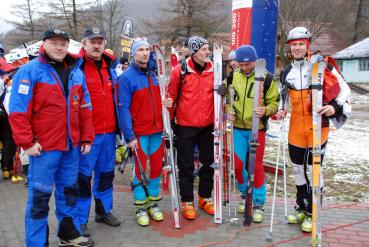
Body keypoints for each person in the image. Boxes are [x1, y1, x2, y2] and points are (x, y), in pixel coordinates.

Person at [8, 29, 94, 247]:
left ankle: (67, 234)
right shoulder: (29, 71)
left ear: (68, 46)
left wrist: (86, 138)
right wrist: (27, 143)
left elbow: (84, 107)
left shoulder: (76, 72)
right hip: (43, 149)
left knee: (69, 193)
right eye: (54, 43)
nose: (59, 47)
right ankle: (37, 243)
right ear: (43, 44)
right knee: (39, 199)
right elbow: (18, 111)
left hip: (71, 147)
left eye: (63, 43)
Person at [278, 26, 351, 233]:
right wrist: (282, 111)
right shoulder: (286, 72)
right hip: (296, 128)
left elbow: (345, 89)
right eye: (294, 45)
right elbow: (282, 99)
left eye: (301, 44)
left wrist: (334, 106)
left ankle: (314, 212)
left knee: (314, 169)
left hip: (318, 126)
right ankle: (302, 206)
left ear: (307, 45)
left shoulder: (321, 65)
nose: (298, 48)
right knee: (298, 170)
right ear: (290, 48)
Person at [163, 36, 226, 220]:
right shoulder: (180, 71)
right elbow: (171, 96)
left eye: (208, 49)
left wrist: (223, 93)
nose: (208, 52)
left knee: (208, 163)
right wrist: (171, 121)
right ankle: (187, 201)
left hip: (208, 125)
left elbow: (222, 96)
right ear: (194, 51)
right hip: (185, 125)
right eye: (204, 49)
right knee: (186, 166)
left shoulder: (215, 70)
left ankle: (205, 198)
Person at [76, 27, 121, 237]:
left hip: (109, 134)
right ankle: (79, 219)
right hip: (88, 137)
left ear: (104, 44)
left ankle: (103, 211)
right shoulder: (77, 69)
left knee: (106, 175)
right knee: (83, 178)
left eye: (99, 42)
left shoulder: (110, 68)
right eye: (92, 41)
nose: (96, 45)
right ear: (84, 44)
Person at [227, 45, 279, 223]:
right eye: (240, 64)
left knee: (255, 166)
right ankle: (245, 194)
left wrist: (265, 110)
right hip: (238, 128)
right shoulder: (234, 75)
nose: (244, 68)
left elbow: (274, 104)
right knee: (239, 165)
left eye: (247, 64)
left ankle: (258, 203)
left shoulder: (268, 78)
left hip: (257, 129)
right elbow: (228, 99)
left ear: (255, 61)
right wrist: (229, 111)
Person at [117, 37, 164, 226]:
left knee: (157, 169)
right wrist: (129, 136)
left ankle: (153, 203)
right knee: (139, 170)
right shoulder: (126, 78)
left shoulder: (156, 74)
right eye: (140, 50)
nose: (144, 53)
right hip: (139, 133)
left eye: (147, 49)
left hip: (158, 131)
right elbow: (123, 109)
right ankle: (140, 207)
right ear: (134, 53)